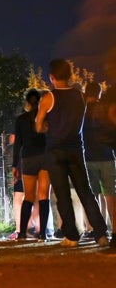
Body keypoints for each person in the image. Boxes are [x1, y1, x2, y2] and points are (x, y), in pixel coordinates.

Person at [36, 59, 108, 247]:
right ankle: (100, 234)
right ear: (70, 76)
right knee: (86, 192)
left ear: (51, 77)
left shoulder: (48, 98)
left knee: (63, 194)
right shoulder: (79, 96)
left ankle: (72, 236)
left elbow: (38, 125)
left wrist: (47, 127)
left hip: (55, 151)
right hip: (76, 149)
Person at [11, 89, 50, 241]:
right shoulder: (46, 117)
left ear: (27, 103)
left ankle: (21, 233)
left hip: (28, 159)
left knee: (28, 196)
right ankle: (42, 234)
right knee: (43, 196)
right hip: (45, 157)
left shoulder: (21, 119)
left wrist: (15, 165)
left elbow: (17, 145)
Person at [82, 83, 116, 243]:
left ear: (85, 92)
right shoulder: (104, 109)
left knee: (92, 196)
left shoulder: (81, 111)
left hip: (88, 158)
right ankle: (114, 231)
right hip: (107, 156)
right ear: (99, 93)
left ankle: (96, 230)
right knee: (111, 195)